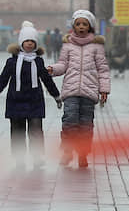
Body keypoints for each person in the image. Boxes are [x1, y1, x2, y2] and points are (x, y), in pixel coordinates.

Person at [0, 21, 62, 170]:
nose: (29, 44)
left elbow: (47, 80)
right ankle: (19, 159)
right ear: (21, 43)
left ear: (35, 44)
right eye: (26, 41)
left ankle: (37, 158)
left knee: (36, 130)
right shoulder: (12, 62)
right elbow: (2, 80)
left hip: (35, 101)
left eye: (32, 41)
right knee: (17, 132)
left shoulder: (39, 62)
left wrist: (56, 95)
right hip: (16, 101)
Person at [47, 9, 111, 168]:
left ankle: (83, 154)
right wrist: (53, 70)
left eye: (84, 24)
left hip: (89, 92)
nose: (81, 26)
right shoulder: (68, 46)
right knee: (69, 121)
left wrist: (104, 89)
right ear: (73, 26)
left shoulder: (96, 47)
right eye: (78, 24)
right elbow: (63, 64)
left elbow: (102, 69)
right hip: (71, 90)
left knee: (86, 124)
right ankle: (68, 151)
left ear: (90, 27)